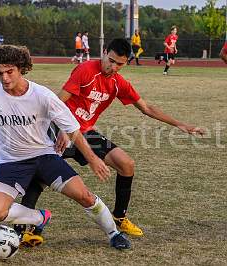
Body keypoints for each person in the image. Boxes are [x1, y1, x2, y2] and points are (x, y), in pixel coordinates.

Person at [0, 45, 131, 250]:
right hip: (11, 161)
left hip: (45, 157)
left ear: (22, 69)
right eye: (0, 73)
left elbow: (72, 129)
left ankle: (113, 234)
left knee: (85, 196)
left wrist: (92, 159)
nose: (5, 78)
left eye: (10, 72)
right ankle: (39, 218)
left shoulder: (42, 95)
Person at [17, 39, 205, 247]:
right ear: (104, 52)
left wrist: (181, 125)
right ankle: (22, 228)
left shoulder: (118, 83)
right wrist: (64, 127)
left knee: (127, 164)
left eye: (119, 64)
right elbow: (59, 101)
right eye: (111, 61)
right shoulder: (86, 70)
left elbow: (147, 108)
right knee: (41, 175)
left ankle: (119, 218)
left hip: (86, 132)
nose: (113, 67)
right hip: (59, 130)